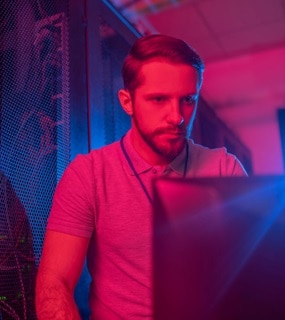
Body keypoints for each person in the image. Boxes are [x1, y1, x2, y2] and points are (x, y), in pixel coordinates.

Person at [36, 34, 247, 319]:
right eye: (159, 99)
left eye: (187, 100)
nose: (177, 117)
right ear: (127, 101)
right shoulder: (88, 175)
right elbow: (54, 283)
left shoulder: (224, 168)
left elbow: (253, 276)